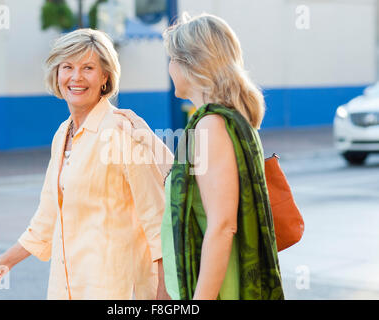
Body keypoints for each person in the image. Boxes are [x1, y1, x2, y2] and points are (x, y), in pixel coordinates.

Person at [0, 28, 169, 300]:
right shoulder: (62, 133)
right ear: (57, 74)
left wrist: (163, 296)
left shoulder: (124, 132)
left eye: (88, 67)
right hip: (65, 288)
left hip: (116, 290)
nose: (76, 77)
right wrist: (4, 261)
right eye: (67, 67)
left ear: (105, 77)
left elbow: (158, 222)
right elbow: (47, 218)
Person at [115, 12, 284, 300]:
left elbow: (222, 225)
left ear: (191, 65)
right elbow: (192, 181)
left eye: (171, 59)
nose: (169, 68)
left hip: (221, 287)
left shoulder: (212, 125)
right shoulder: (225, 120)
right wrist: (149, 139)